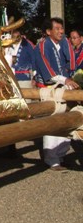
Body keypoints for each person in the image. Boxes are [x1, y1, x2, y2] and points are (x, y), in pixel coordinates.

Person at [33, 17, 79, 171]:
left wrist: (71, 77)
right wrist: (65, 79)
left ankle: (61, 155)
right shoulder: (43, 46)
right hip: (50, 88)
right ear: (48, 31)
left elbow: (68, 64)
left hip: (63, 87)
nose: (61, 31)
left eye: (61, 28)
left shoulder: (62, 44)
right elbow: (46, 69)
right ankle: (52, 160)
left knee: (65, 121)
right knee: (53, 123)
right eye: (57, 29)